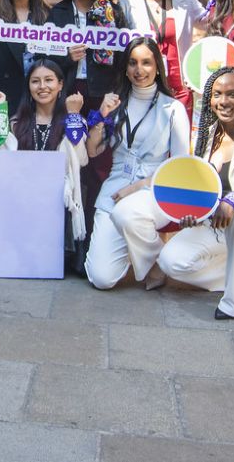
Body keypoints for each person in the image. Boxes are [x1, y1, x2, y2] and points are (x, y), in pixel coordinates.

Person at [157, 68, 234, 319]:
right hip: (217, 224)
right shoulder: (205, 136)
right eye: (217, 95)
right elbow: (201, 188)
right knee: (170, 261)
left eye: (232, 94)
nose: (224, 101)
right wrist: (192, 214)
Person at [83, 37, 191, 290]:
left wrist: (135, 188)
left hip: (155, 189)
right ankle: (147, 256)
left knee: (128, 214)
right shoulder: (116, 102)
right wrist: (102, 115)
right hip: (115, 185)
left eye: (146, 63)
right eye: (132, 63)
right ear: (125, 67)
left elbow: (179, 168)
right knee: (102, 278)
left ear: (157, 67)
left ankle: (156, 260)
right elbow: (92, 150)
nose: (139, 70)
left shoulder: (173, 108)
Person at [48, 0, 127, 274]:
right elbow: (44, 57)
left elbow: (123, 56)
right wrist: (66, 56)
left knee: (97, 166)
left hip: (100, 97)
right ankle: (67, 243)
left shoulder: (113, 13)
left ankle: (94, 241)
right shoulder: (58, 12)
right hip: (66, 96)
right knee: (68, 165)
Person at [12, 60, 89, 265]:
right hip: (25, 200)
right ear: (28, 86)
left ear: (61, 84)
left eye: (49, 80)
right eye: (35, 81)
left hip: (60, 199)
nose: (42, 86)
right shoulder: (16, 123)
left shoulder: (74, 120)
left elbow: (81, 159)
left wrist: (73, 115)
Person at [118, 0, 207, 114]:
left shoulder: (186, 1)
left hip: (179, 89)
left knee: (178, 138)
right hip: (142, 87)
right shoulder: (127, 4)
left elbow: (211, 21)